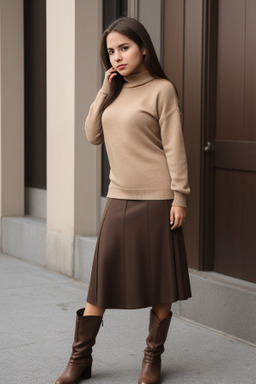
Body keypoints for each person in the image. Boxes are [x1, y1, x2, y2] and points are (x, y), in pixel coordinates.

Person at [55, 16, 191, 384]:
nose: (116, 56)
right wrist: (104, 90)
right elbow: (91, 134)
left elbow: (175, 147)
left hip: (160, 198)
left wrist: (180, 197)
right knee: (100, 285)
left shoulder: (162, 89)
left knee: (161, 285)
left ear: (144, 47)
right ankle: (80, 360)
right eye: (111, 51)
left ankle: (152, 359)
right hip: (119, 197)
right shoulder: (113, 92)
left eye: (124, 48)